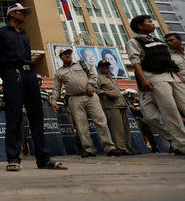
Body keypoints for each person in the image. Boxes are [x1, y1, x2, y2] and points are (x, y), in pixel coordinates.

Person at [0, 3, 67, 171]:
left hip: (29, 76)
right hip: (13, 75)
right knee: (14, 116)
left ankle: (43, 159)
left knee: (36, 116)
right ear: (12, 13)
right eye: (22, 12)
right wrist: (7, 75)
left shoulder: (25, 35)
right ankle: (13, 158)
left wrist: (30, 74)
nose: (25, 15)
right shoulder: (1, 33)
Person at [126, 15, 185, 155]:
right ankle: (181, 144)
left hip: (173, 77)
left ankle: (177, 141)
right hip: (156, 78)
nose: (153, 24)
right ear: (140, 26)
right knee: (170, 112)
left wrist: (178, 75)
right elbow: (136, 62)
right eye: (149, 22)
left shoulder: (159, 41)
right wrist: (144, 79)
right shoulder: (134, 41)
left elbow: (168, 60)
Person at [51, 47, 119, 158]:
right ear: (60, 57)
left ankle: (110, 147)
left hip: (90, 96)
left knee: (101, 121)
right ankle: (89, 149)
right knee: (81, 125)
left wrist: (90, 85)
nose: (67, 55)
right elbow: (56, 88)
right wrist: (53, 100)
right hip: (74, 99)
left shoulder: (81, 63)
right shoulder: (59, 72)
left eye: (69, 53)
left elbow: (93, 74)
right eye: (64, 53)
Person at [96, 60, 134, 155]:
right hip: (110, 106)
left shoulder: (111, 78)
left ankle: (128, 148)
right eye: (103, 67)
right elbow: (96, 90)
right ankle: (121, 148)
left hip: (121, 104)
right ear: (99, 68)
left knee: (126, 128)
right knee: (117, 129)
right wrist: (106, 93)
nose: (106, 68)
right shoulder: (98, 78)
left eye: (107, 67)